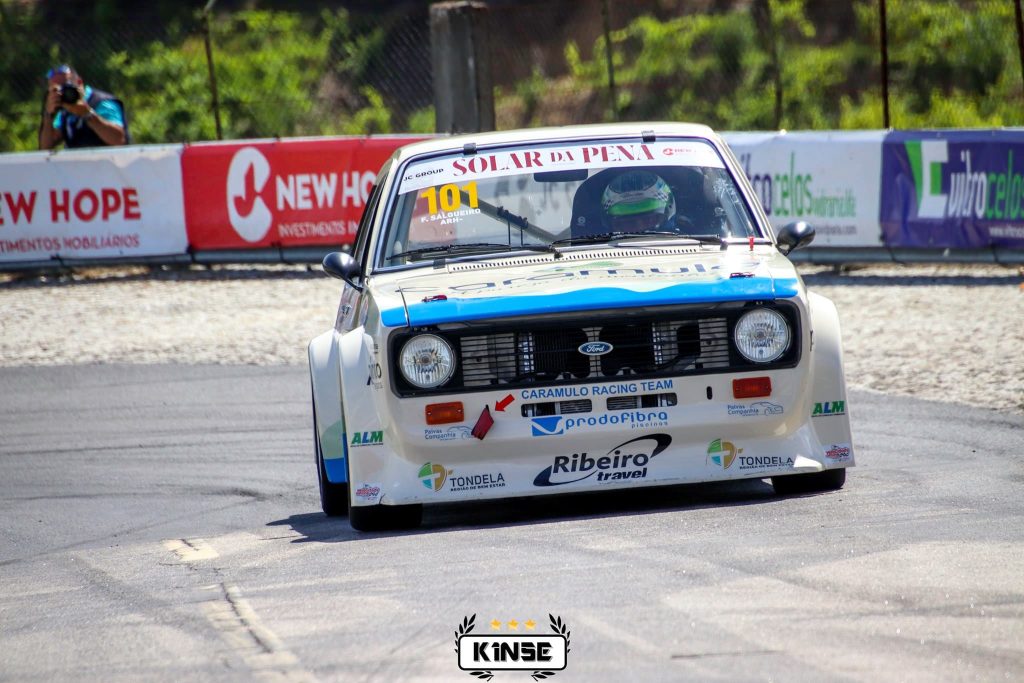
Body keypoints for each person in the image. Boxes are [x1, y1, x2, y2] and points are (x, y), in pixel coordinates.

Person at [38, 64, 129, 150]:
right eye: (57, 90)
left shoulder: (102, 102)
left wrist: (87, 114)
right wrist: (48, 115)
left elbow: (119, 140)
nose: (63, 93)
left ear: (79, 82)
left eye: (66, 87)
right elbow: (46, 147)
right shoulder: (64, 110)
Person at [600, 170, 676, 233]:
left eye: (648, 220)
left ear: (667, 213)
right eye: (629, 223)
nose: (640, 228)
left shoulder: (682, 238)